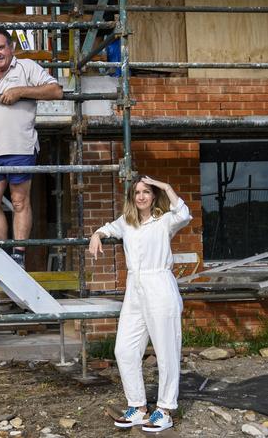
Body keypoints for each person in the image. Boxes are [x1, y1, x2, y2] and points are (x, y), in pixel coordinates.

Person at [88, 175, 192, 433]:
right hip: (134, 289)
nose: (142, 196)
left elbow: (184, 213)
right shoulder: (127, 222)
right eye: (137, 192)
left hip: (160, 286)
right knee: (124, 350)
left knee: (166, 351)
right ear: (132, 198)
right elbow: (109, 228)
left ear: (154, 195)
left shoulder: (165, 220)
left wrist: (166, 185)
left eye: (147, 191)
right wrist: (96, 234)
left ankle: (165, 410)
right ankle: (138, 406)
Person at [0, 29, 63, 268]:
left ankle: (18, 254)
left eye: (0, 47)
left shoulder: (26, 68)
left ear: (11, 47)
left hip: (20, 147)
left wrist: (20, 91)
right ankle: (4, 254)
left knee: (19, 201)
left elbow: (56, 90)